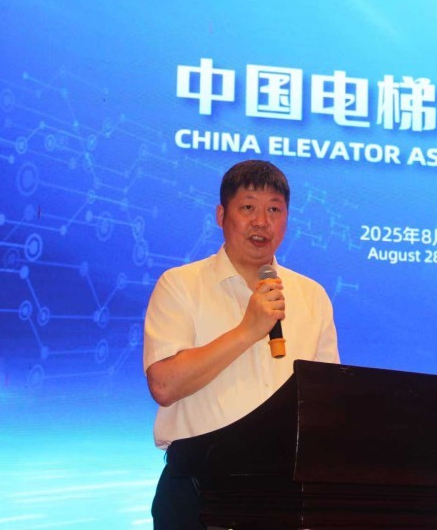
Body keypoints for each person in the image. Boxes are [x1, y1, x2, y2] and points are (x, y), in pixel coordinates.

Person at [143, 159, 340, 528]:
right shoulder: (180, 285)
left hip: (286, 490)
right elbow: (164, 386)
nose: (261, 222)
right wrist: (249, 329)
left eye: (274, 210)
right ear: (221, 215)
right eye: (248, 207)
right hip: (198, 486)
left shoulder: (311, 296)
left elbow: (326, 402)